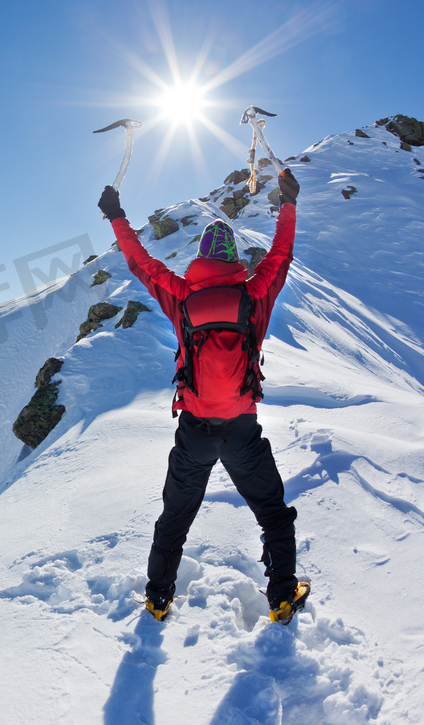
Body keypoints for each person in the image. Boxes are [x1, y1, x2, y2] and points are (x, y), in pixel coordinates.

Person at [97, 168, 309, 624]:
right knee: (272, 513)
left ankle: (158, 598)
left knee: (175, 516)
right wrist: (288, 205)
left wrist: (116, 217)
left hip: (193, 430)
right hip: (242, 431)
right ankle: (283, 597)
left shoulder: (181, 295)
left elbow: (139, 263)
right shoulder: (255, 294)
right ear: (234, 257)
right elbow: (282, 254)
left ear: (201, 256)